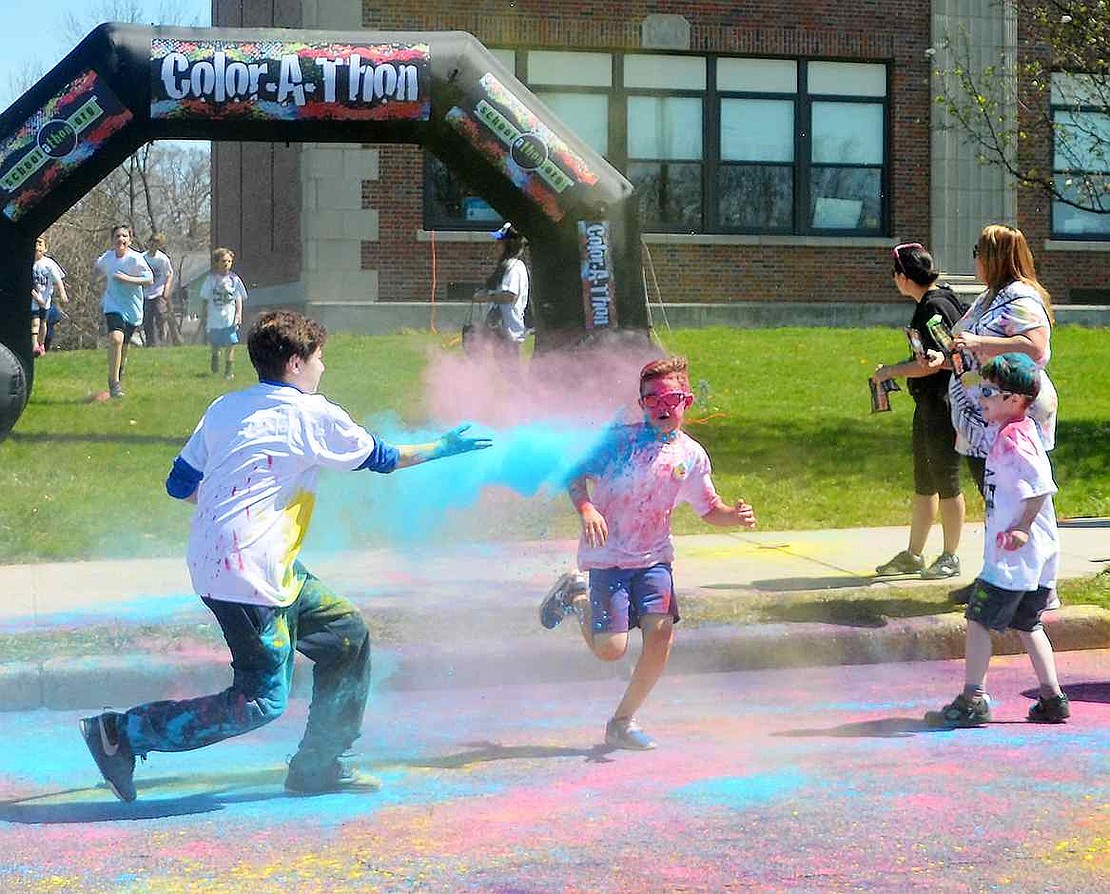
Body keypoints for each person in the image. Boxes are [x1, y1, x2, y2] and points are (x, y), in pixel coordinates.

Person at [79, 309, 492, 802]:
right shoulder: (311, 413)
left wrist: (224, 503)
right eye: (319, 358)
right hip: (251, 576)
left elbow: (179, 484)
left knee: (346, 635)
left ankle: (319, 765)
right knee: (259, 701)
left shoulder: (225, 407)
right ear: (296, 362)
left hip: (245, 565)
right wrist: (443, 446)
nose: (323, 368)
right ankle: (122, 734)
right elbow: (383, 459)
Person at [538, 356, 757, 750]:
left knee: (661, 637)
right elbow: (573, 473)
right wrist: (586, 507)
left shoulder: (690, 455)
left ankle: (622, 721)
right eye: (651, 399)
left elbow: (709, 509)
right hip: (607, 558)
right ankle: (575, 595)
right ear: (641, 404)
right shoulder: (619, 443)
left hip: (654, 559)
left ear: (687, 401)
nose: (662, 407)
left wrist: (735, 517)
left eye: (671, 398)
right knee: (610, 650)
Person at [924, 353, 1069, 727]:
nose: (982, 397)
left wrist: (1021, 526)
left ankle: (973, 698)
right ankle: (1052, 698)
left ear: (1016, 401)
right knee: (1028, 623)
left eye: (989, 392)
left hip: (1013, 556)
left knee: (978, 618)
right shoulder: (1017, 430)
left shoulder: (1014, 439)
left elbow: (1040, 488)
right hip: (1033, 556)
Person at [927, 224, 1058, 604]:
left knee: (1019, 500)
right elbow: (966, 344)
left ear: (994, 258)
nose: (974, 260)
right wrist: (943, 357)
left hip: (1012, 414)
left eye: (978, 252)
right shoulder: (988, 298)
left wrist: (979, 342)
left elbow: (1036, 348)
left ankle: (1033, 585)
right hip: (982, 416)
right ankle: (995, 575)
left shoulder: (1021, 297)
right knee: (995, 500)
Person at [871, 243, 967, 580]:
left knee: (947, 482)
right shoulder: (937, 299)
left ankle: (951, 556)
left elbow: (931, 364)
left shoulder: (933, 307)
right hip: (927, 405)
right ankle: (914, 554)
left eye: (894, 275)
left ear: (902, 276)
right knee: (925, 482)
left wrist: (890, 372)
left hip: (944, 405)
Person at [94, 224, 153, 398]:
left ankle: (118, 372)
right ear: (112, 240)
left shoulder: (135, 259)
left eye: (124, 236)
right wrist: (95, 278)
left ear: (130, 240)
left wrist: (127, 279)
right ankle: (113, 383)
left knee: (124, 347)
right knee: (116, 339)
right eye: (117, 236)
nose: (121, 239)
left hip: (132, 308)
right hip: (113, 304)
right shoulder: (108, 257)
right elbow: (98, 268)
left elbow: (149, 280)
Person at [468, 222, 530, 356]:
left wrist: (485, 298)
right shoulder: (506, 266)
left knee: (511, 374)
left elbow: (510, 296)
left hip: (509, 334)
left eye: (499, 242)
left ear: (509, 245)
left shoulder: (514, 267)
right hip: (499, 333)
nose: (495, 246)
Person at [200, 247, 248, 380]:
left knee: (230, 343)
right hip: (215, 317)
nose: (226, 264)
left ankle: (228, 371)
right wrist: (203, 314)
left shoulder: (235, 279)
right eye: (223, 261)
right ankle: (215, 357)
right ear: (217, 263)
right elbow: (204, 298)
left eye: (229, 261)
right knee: (215, 344)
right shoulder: (211, 279)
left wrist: (239, 314)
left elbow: (238, 298)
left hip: (229, 318)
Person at [30, 236, 68, 357]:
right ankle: (34, 345)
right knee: (35, 322)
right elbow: (27, 284)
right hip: (34, 300)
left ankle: (41, 345)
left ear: (45, 248)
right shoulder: (28, 263)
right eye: (35, 244)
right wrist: (37, 297)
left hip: (46, 299)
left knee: (43, 322)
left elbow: (58, 280)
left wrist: (63, 293)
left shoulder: (48, 263)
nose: (37, 247)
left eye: (40, 244)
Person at [141, 232, 174, 347]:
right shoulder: (142, 258)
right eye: (152, 243)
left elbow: (170, 274)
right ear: (148, 243)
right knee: (147, 319)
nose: (154, 246)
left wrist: (167, 288)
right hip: (145, 293)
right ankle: (150, 343)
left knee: (160, 314)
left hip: (158, 292)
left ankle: (162, 338)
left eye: (157, 244)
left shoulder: (162, 259)